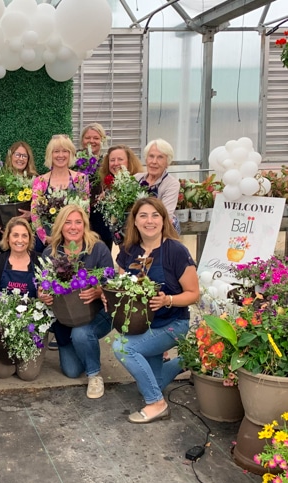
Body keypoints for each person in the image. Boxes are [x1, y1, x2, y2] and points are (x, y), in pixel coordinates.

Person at [111, 197, 199, 423]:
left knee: (123, 348)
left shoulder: (176, 251)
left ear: (163, 220)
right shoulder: (128, 251)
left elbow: (193, 294)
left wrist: (167, 300)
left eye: (154, 215)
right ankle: (185, 362)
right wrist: (111, 298)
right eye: (143, 215)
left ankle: (157, 404)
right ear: (135, 221)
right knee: (152, 382)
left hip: (172, 324)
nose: (149, 221)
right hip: (141, 324)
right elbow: (122, 287)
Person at [37, 205, 113, 399]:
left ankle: (94, 375)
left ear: (85, 225)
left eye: (78, 222)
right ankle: (85, 348)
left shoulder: (97, 248)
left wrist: (98, 291)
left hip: (98, 313)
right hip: (66, 318)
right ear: (60, 226)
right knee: (71, 371)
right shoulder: (50, 253)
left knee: (81, 334)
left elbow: (111, 283)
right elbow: (44, 286)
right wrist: (43, 295)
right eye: (68, 222)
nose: (73, 227)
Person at [30, 134, 90, 244]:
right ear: (50, 154)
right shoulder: (40, 181)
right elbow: (35, 214)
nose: (60, 155)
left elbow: (85, 212)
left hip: (74, 240)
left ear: (70, 153)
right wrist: (45, 238)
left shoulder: (81, 179)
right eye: (56, 151)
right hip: (48, 240)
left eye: (65, 151)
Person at [90, 145, 144, 250]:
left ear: (129, 162)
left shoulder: (138, 182)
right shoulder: (107, 186)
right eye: (112, 160)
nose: (115, 163)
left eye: (120, 159)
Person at [0, 217, 43, 297]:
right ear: (7, 238)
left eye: (24, 236)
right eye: (15, 235)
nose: (20, 240)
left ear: (30, 239)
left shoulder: (40, 260)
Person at [135, 139, 180, 232]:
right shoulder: (136, 179)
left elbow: (166, 215)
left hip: (161, 231)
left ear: (167, 163)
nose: (154, 161)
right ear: (146, 159)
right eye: (151, 156)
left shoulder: (171, 184)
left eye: (160, 157)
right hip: (136, 227)